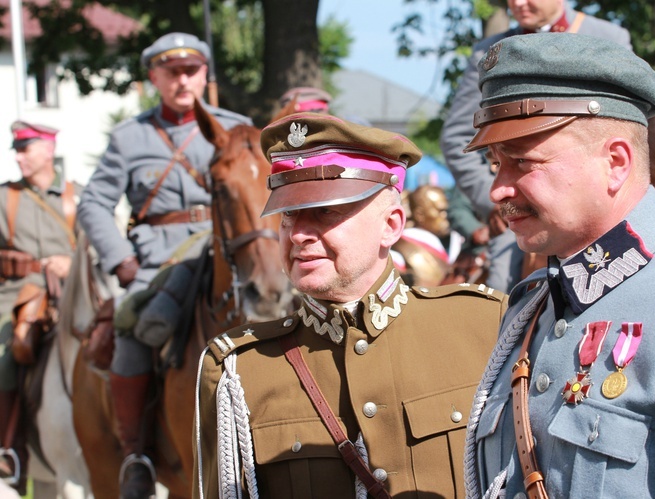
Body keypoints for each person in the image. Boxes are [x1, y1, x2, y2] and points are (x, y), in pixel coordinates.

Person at [462, 32, 655, 498]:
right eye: (495, 163)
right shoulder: (533, 303)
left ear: (615, 162)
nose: (498, 188)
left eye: (521, 161)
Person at [193, 113, 508, 498]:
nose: (299, 235)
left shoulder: (486, 327)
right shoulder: (239, 372)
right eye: (288, 214)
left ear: (391, 225)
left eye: (326, 211)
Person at [76, 32, 252, 498]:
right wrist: (122, 260)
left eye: (191, 70)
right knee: (133, 325)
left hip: (221, 255)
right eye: (171, 72)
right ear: (153, 77)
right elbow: (93, 203)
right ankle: (136, 454)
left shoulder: (236, 127)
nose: (182, 80)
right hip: (156, 261)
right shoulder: (130, 137)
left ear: (204, 75)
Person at [440, 0, 631, 294]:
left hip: (598, 196)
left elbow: (628, 128)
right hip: (525, 201)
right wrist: (497, 200)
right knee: (501, 295)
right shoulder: (489, 52)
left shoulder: (609, 37)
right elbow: (455, 138)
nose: (518, 3)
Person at [0, 121, 78, 494]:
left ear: (47, 150)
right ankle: (8, 449)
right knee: (6, 353)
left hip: (71, 295)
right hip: (17, 296)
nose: (17, 156)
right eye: (16, 149)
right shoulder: (5, 198)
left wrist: (70, 262)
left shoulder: (75, 197)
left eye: (24, 148)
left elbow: (98, 249)